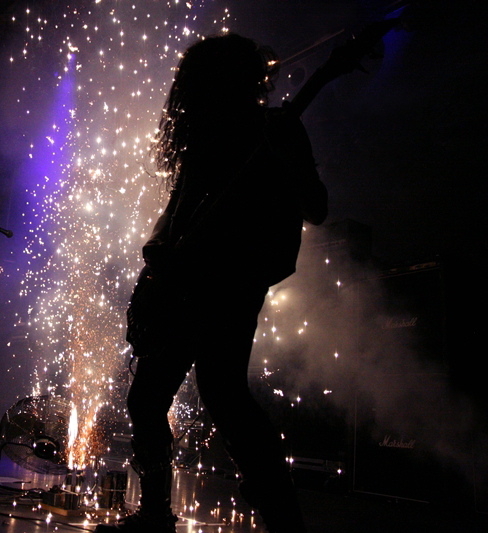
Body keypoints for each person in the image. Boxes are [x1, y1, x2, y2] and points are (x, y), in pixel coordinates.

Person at [97, 34, 327, 533]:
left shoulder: (274, 129)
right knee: (155, 397)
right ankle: (158, 514)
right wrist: (154, 264)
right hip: (185, 284)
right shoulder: (202, 140)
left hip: (231, 284)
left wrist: (287, 157)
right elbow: (177, 214)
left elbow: (316, 208)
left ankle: (282, 517)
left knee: (221, 394)